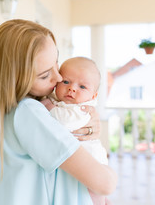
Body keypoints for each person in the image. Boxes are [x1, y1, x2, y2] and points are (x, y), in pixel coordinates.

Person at [0, 19, 117, 205]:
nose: (59, 77)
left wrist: (86, 126)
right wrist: (109, 173)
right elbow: (106, 183)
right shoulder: (29, 112)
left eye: (56, 62)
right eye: (45, 75)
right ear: (16, 79)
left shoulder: (18, 111)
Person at [41, 57, 109, 204]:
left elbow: (65, 122)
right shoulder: (61, 101)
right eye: (66, 82)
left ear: (93, 95)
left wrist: (49, 106)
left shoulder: (82, 109)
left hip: (93, 162)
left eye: (82, 87)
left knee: (94, 194)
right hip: (79, 162)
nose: (72, 88)